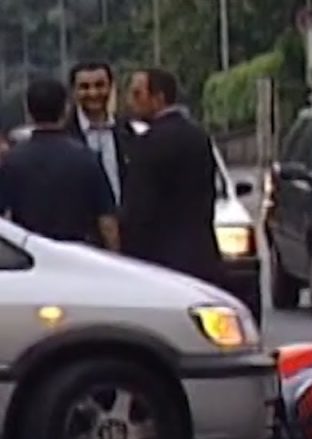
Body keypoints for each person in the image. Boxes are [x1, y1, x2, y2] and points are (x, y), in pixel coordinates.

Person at [121, 68, 223, 285]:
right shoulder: (198, 136)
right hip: (201, 253)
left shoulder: (148, 144)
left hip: (161, 261)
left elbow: (139, 208)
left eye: (138, 94)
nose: (130, 101)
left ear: (158, 98)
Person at [0, 78, 118, 250]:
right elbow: (107, 221)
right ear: (66, 108)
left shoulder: (12, 161)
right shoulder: (86, 158)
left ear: (28, 111)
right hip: (80, 253)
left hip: (32, 254)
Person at [65, 61, 135, 209]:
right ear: (73, 91)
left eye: (99, 85)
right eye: (84, 87)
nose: (93, 93)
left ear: (110, 87)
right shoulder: (65, 136)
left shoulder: (128, 131)